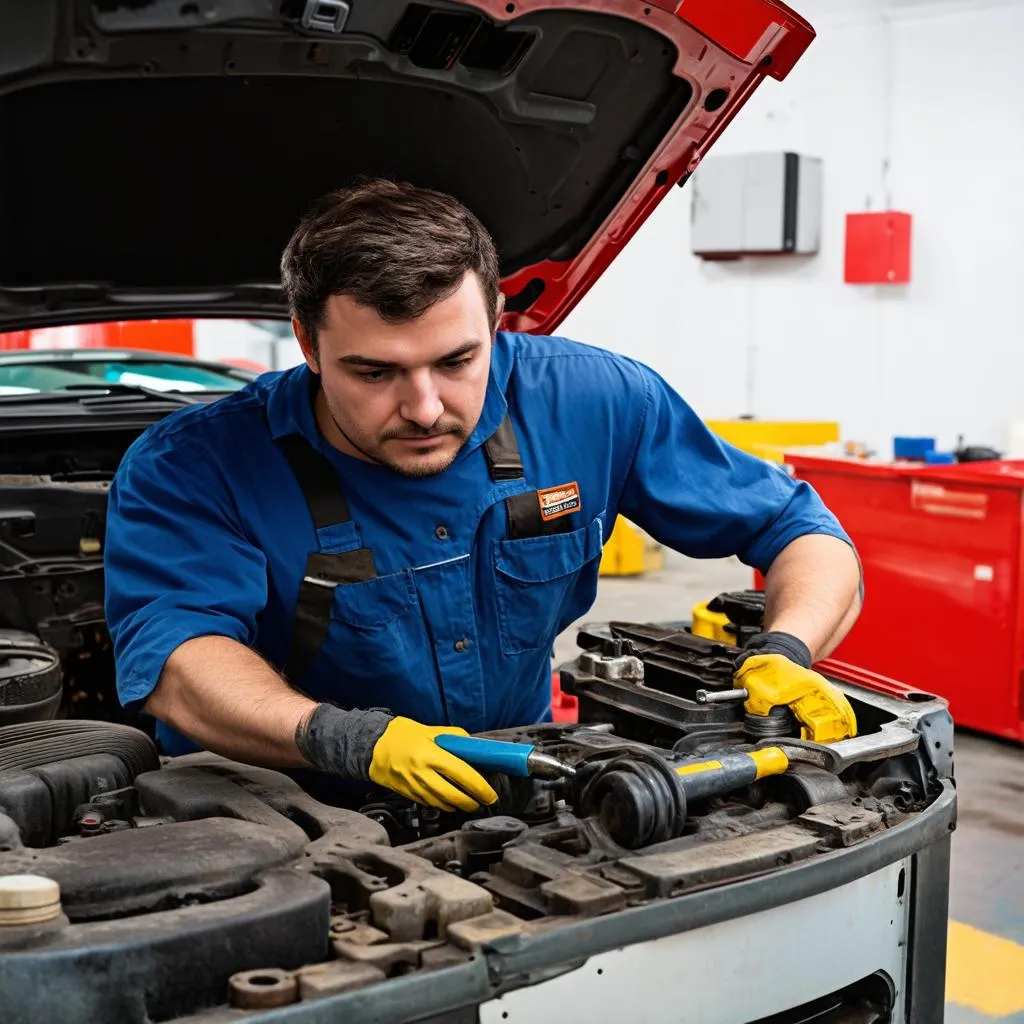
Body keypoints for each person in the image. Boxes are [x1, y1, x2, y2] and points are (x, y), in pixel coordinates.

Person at [104, 179, 862, 813]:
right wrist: (347, 739)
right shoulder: (193, 466)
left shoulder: (593, 400)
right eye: (375, 373)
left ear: (495, 320)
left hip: (521, 785)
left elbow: (801, 528)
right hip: (280, 808)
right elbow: (179, 662)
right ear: (308, 344)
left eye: (457, 359)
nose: (426, 407)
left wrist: (787, 648)